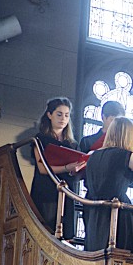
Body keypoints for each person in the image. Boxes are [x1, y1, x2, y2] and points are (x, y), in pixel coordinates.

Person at [83, 117, 133, 254]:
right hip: (117, 210)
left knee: (96, 252)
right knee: (122, 254)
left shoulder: (92, 155)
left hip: (94, 209)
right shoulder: (125, 155)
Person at [30, 97, 85, 239]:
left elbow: (77, 171)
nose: (63, 119)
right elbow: (42, 169)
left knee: (66, 237)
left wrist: (77, 169)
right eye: (59, 114)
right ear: (49, 115)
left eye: (66, 115)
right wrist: (67, 167)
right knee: (46, 232)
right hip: (47, 191)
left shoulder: (72, 144)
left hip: (67, 192)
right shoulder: (40, 139)